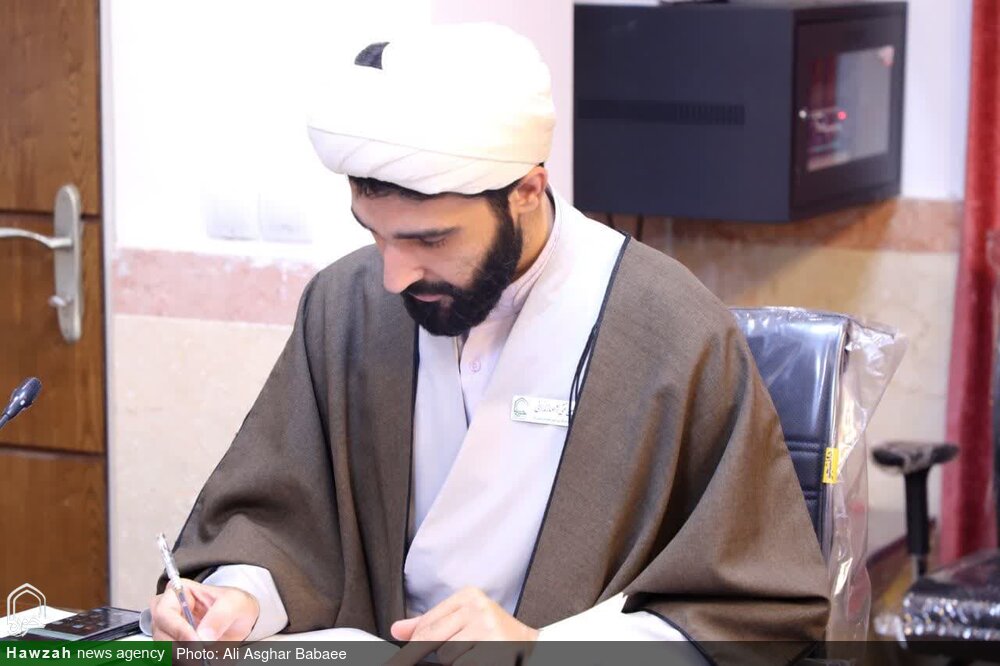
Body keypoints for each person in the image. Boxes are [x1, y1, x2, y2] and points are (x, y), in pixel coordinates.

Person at [148, 22, 828, 664]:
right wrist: (240, 596)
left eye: (431, 239)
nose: (393, 277)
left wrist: (542, 647)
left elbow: (754, 609)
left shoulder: (670, 329)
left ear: (527, 191)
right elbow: (283, 522)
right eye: (375, 234)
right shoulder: (346, 304)